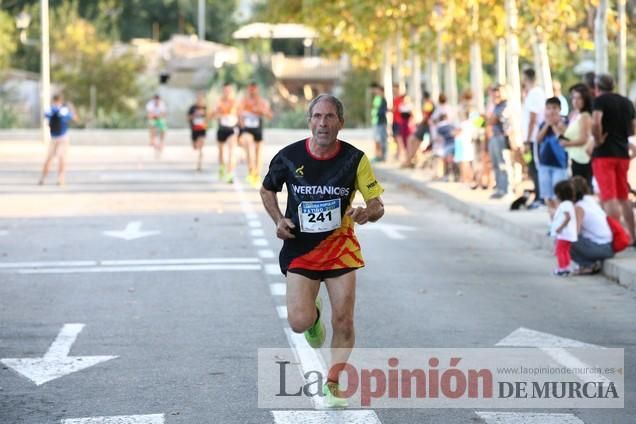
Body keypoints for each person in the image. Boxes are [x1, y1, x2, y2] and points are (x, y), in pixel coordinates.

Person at [260, 94, 385, 408]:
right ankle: (313, 315)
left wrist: (367, 212)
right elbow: (267, 189)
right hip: (300, 249)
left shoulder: (355, 159)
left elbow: (377, 204)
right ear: (309, 120)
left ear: (340, 123)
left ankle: (333, 383)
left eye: (330, 117)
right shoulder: (289, 157)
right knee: (299, 322)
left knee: (344, 320)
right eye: (317, 116)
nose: (323, 123)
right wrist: (278, 220)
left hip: (340, 249)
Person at [591, 73, 636, 243]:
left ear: (597, 88)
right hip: (622, 153)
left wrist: (598, 139)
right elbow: (633, 128)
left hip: (604, 154)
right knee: (624, 197)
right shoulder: (626, 102)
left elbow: (596, 122)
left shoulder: (600, 101)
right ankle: (632, 235)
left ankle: (616, 238)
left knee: (609, 197)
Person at [570, 176, 614, 275]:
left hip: (602, 248)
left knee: (566, 239)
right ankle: (589, 264)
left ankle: (587, 265)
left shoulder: (579, 207)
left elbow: (574, 233)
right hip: (609, 246)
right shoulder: (590, 200)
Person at [536, 97, 569, 212]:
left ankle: (559, 216)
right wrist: (547, 125)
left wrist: (554, 125)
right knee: (547, 195)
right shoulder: (543, 124)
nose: (551, 111)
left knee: (558, 194)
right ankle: (553, 218)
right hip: (545, 164)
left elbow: (562, 138)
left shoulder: (564, 122)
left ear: (559, 109)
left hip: (559, 165)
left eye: (554, 108)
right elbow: (538, 139)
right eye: (548, 108)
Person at [38, 94, 78, 186]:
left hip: (55, 138)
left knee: (50, 158)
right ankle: (60, 179)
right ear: (60, 101)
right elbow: (74, 118)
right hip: (62, 138)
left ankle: (43, 178)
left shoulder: (50, 109)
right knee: (61, 159)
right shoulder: (63, 110)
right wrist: (71, 109)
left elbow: (47, 116)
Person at [238, 82, 272, 187]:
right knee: (249, 145)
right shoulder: (243, 102)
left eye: (254, 89)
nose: (252, 92)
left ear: (257, 90)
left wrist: (261, 110)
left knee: (258, 154)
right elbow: (238, 115)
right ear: (248, 90)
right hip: (246, 130)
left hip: (257, 130)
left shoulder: (262, 102)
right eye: (250, 89)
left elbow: (270, 115)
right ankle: (251, 170)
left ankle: (256, 175)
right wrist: (241, 123)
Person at [521, 68, 546, 207]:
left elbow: (533, 118)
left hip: (534, 138)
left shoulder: (535, 93)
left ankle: (540, 197)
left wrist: (528, 139)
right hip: (531, 138)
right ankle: (538, 194)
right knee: (531, 167)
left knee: (536, 167)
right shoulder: (531, 94)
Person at [560, 84, 593, 186]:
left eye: (579, 98)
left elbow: (584, 139)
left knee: (582, 191)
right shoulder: (574, 114)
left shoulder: (585, 116)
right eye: (574, 97)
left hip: (582, 160)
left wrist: (567, 144)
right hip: (573, 157)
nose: (576, 101)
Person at [549, 180, 578, 277]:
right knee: (565, 251)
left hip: (564, 233)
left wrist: (559, 228)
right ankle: (566, 267)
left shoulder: (565, 204)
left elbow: (567, 217)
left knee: (560, 251)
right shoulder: (569, 204)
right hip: (568, 233)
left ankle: (562, 268)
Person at [488, 84, 511, 198]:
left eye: (497, 91)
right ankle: (499, 188)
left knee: (503, 164)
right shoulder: (495, 106)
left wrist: (489, 119)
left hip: (501, 136)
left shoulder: (505, 105)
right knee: (496, 164)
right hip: (494, 136)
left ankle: (506, 189)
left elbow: (493, 120)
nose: (495, 94)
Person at [213, 83, 239, 183]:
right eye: (225, 90)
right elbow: (214, 115)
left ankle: (230, 173)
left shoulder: (235, 102)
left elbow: (237, 113)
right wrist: (219, 113)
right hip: (222, 129)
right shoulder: (219, 102)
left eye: (229, 90)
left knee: (232, 152)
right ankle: (222, 168)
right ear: (223, 91)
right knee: (221, 152)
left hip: (232, 129)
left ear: (231, 91)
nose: (227, 93)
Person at [404, 91, 435, 168]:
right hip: (426, 126)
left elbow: (426, 116)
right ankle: (409, 160)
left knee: (413, 141)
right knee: (414, 142)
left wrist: (420, 123)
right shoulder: (430, 103)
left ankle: (409, 161)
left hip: (425, 126)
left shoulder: (428, 104)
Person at [187, 92, 208, 172]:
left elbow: (208, 118)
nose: (199, 99)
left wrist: (205, 115)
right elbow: (188, 118)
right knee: (195, 147)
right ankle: (199, 159)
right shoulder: (192, 108)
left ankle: (199, 164)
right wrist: (194, 115)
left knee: (201, 147)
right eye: (198, 98)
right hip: (194, 130)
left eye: (201, 98)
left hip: (202, 130)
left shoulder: (205, 108)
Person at [370, 83, 388, 162]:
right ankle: (377, 155)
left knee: (381, 139)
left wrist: (377, 113)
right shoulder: (376, 98)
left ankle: (382, 156)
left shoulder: (382, 99)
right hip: (376, 121)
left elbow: (382, 110)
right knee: (376, 139)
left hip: (381, 122)